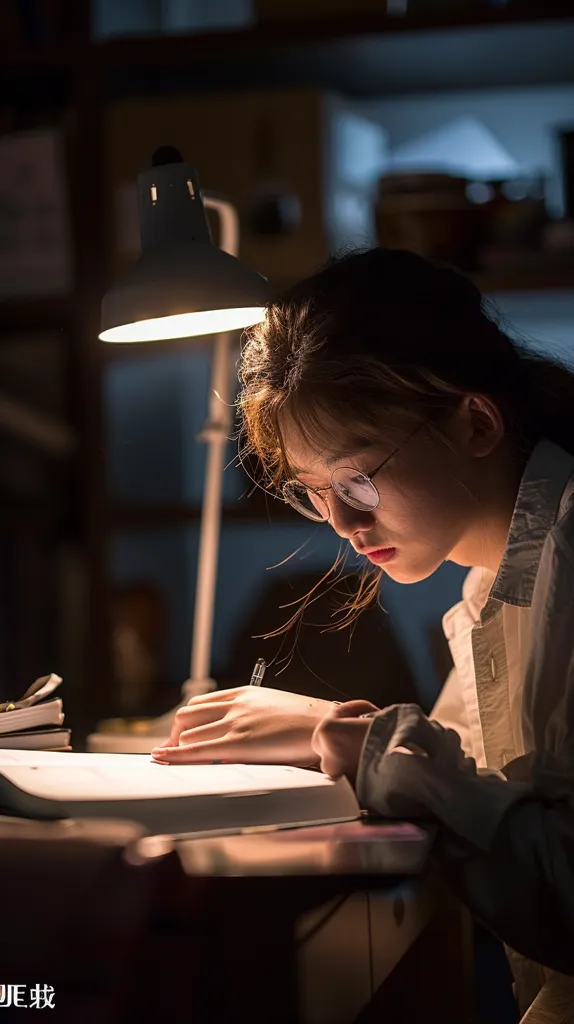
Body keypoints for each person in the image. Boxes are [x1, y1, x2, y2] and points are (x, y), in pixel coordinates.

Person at [152, 248, 574, 1019]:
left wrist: (353, 735)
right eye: (317, 495)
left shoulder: (565, 562)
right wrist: (336, 734)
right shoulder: (498, 579)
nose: (343, 525)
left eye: (357, 480)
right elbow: (484, 775)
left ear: (475, 421)